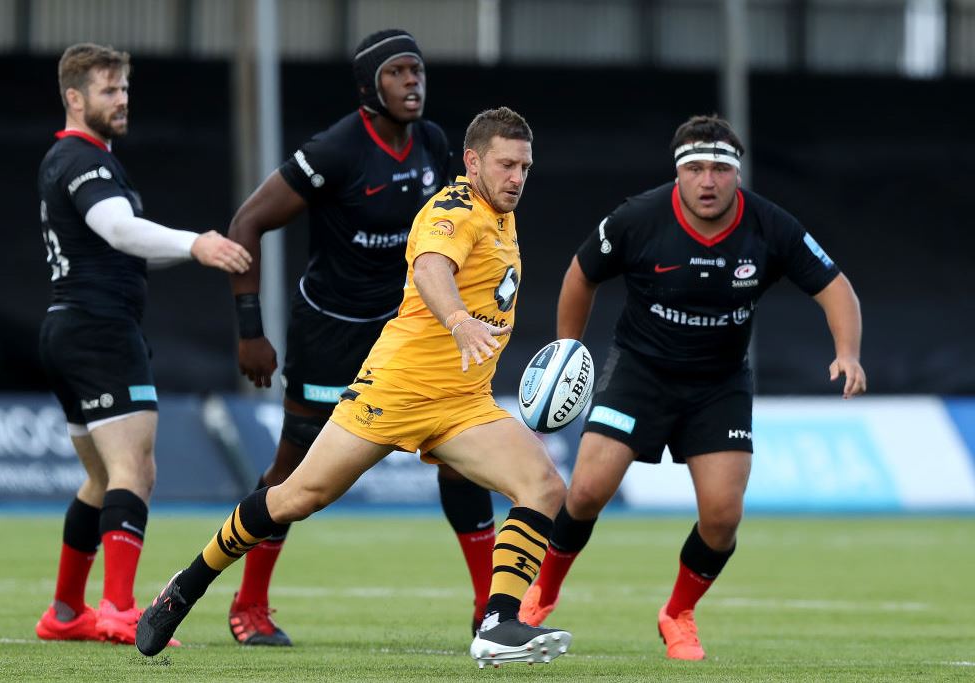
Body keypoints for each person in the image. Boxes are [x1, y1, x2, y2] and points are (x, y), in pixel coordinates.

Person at [137, 107, 574, 668]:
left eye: (525, 167)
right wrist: (459, 319)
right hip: (392, 393)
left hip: (462, 404)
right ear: (472, 162)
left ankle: (497, 624)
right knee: (298, 497)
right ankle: (189, 583)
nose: (517, 177)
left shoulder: (502, 214)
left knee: (543, 486)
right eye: (506, 164)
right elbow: (432, 270)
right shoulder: (453, 210)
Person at [519, 114, 867, 660]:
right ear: (678, 173)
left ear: (736, 174)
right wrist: (567, 349)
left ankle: (678, 613)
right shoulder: (639, 218)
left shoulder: (770, 226)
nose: (708, 181)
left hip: (718, 384)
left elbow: (836, 288)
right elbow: (580, 273)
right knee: (585, 491)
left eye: (720, 169)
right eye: (696, 168)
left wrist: (847, 353)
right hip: (639, 371)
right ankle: (543, 591)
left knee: (724, 517)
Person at [224, 29, 495, 645]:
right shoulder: (336, 150)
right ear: (370, 86)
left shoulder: (432, 143)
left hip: (407, 335)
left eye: (417, 71)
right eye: (398, 73)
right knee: (294, 472)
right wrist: (249, 331)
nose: (413, 83)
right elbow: (247, 222)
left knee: (462, 460)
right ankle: (249, 606)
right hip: (331, 333)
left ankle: (490, 610)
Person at [34, 43, 252, 645]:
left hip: (69, 328)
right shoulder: (82, 159)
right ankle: (119, 609)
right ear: (75, 98)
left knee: (103, 480)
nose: (122, 99)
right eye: (109, 90)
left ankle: (65, 611)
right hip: (99, 331)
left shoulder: (80, 159)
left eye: (125, 88)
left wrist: (185, 251)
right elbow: (117, 228)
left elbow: (121, 248)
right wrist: (196, 243)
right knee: (136, 470)